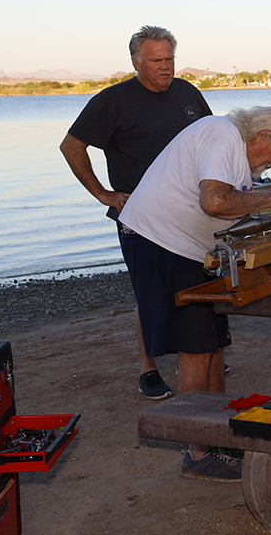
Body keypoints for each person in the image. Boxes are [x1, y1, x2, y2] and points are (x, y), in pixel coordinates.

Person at [118, 106, 271, 481]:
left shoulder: (235, 150)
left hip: (184, 246)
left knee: (214, 343)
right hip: (160, 241)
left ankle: (218, 432)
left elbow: (228, 203)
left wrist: (266, 206)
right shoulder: (222, 135)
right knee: (196, 347)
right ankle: (198, 450)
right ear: (262, 137)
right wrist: (268, 200)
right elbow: (215, 201)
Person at [59, 25, 212, 400]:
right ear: (136, 62)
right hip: (139, 217)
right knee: (150, 293)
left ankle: (198, 354)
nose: (165, 67)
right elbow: (71, 146)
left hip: (191, 214)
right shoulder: (113, 101)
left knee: (198, 285)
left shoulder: (188, 94)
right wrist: (103, 194)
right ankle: (149, 369)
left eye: (170, 59)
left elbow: (211, 140)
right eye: (156, 60)